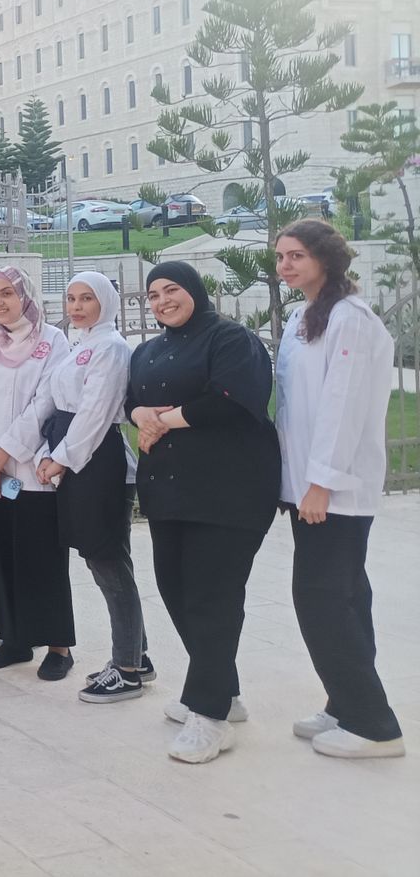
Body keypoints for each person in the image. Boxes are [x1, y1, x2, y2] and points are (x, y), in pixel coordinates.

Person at [128, 261, 279, 765]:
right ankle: (223, 691)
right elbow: (130, 399)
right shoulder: (147, 351)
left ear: (194, 289)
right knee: (176, 589)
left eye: (171, 289)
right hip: (169, 492)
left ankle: (210, 715)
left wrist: (163, 421)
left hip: (228, 491)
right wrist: (139, 414)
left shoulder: (231, 339)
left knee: (212, 598)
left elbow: (235, 400)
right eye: (153, 294)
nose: (162, 300)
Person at [273, 221, 404, 758]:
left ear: (325, 259)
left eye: (297, 256)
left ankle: (375, 725)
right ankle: (346, 702)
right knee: (347, 596)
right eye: (281, 256)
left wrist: (320, 484)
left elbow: (342, 406)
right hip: (309, 484)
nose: (285, 265)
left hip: (334, 490)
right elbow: (293, 405)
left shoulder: (350, 319)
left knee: (321, 599)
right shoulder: (305, 316)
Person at [35, 272, 155, 704]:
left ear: (106, 302)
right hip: (76, 456)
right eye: (71, 298)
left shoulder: (111, 347)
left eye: (87, 298)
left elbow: (95, 413)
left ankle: (127, 669)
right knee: (102, 560)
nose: (77, 306)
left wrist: (61, 459)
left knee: (108, 561)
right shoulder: (81, 344)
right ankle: (137, 654)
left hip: (96, 460)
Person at [0, 266, 75, 682]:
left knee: (41, 558)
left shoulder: (51, 340)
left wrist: (4, 453)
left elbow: (45, 403)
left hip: (29, 467)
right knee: (0, 554)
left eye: (6, 293)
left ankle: (58, 646)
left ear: (24, 295)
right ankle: (14, 638)